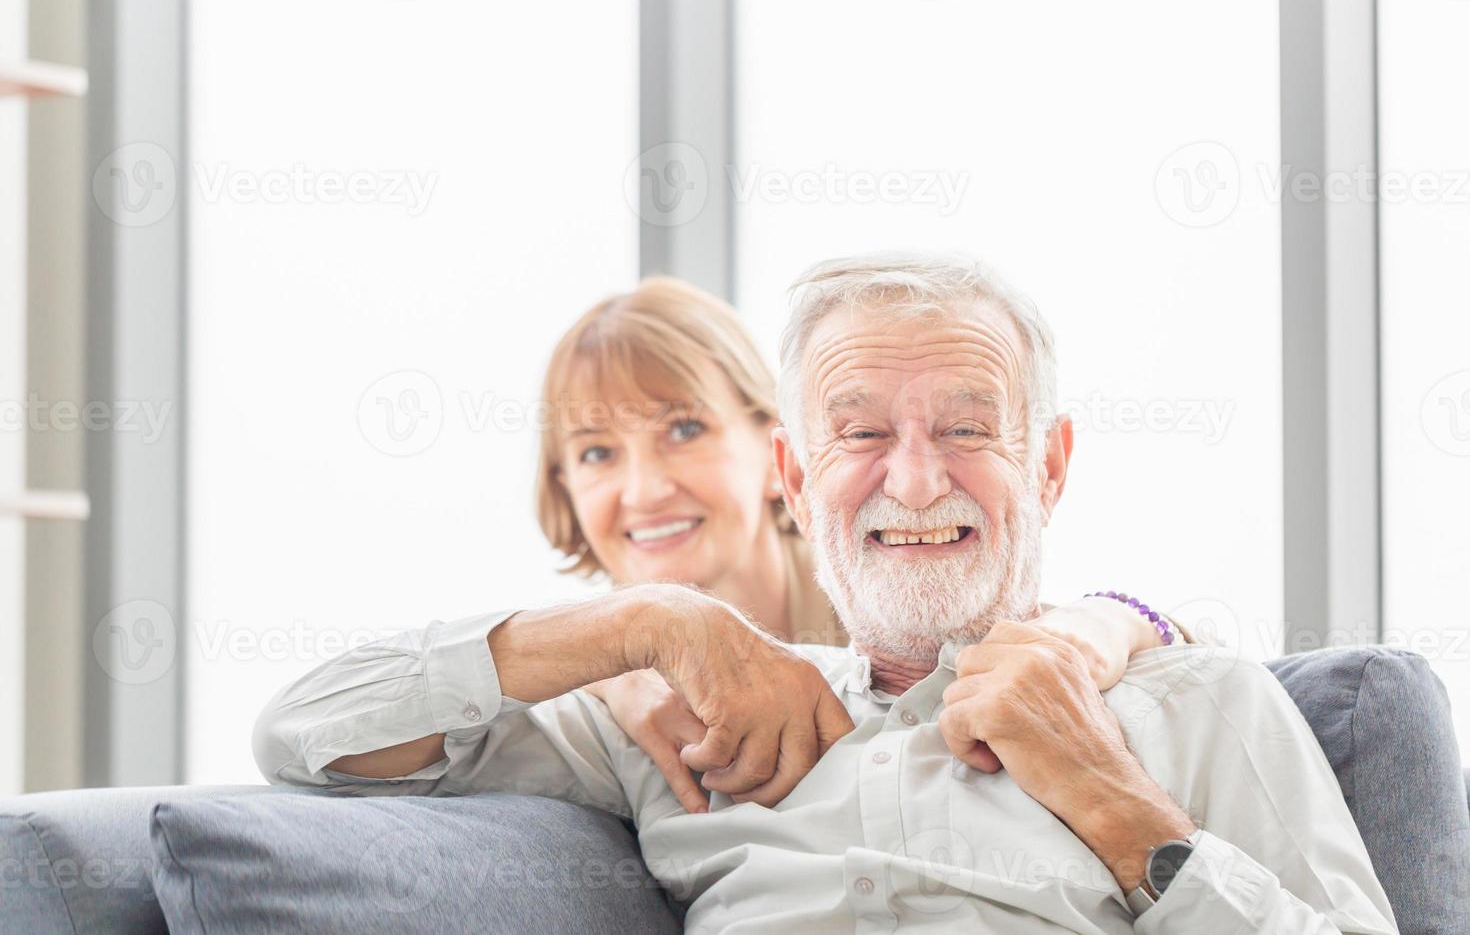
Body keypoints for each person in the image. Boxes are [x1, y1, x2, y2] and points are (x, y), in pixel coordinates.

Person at [249, 254, 1395, 930]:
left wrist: (1124, 812)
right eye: (859, 434)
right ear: (795, 475)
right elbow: (307, 732)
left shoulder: (1197, 705)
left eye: (965, 428)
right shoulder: (672, 717)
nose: (913, 476)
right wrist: (646, 620)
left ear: (1048, 465)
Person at [531, 274, 1192, 811]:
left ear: (777, 458)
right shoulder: (608, 689)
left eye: (682, 431)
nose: (643, 490)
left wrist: (1115, 617)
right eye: (595, 452)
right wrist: (605, 664)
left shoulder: (894, 596)